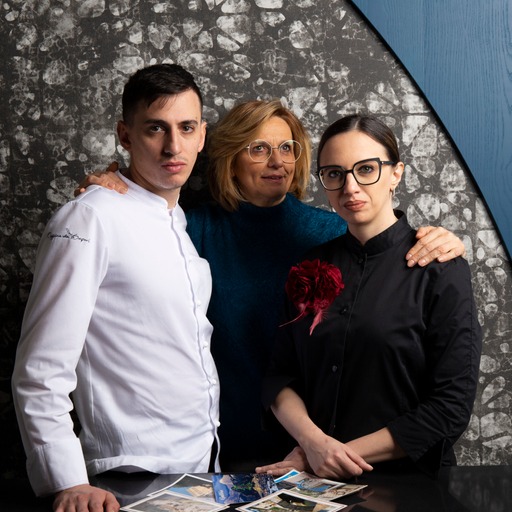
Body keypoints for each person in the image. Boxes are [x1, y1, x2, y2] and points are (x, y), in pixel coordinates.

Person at [76, 100, 466, 471]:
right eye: (259, 149)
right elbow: (136, 249)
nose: (277, 161)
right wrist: (114, 193)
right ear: (231, 159)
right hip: (226, 432)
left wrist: (445, 242)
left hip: (325, 444)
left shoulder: (332, 230)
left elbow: (383, 251)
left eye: (286, 148)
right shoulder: (190, 228)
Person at [12, 63, 220, 512]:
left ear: (202, 135)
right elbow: (40, 369)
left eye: (186, 128)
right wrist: (69, 481)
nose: (173, 146)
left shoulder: (178, 221)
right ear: (125, 135)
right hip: (126, 476)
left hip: (201, 469)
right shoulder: (90, 216)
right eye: (155, 129)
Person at [256, 114, 482, 480]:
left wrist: (331, 454)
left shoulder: (441, 269)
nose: (350, 187)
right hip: (314, 481)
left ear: (396, 173)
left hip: (407, 484)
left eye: (366, 169)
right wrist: (313, 442)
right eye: (334, 173)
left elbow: (450, 407)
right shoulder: (308, 266)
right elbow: (280, 377)